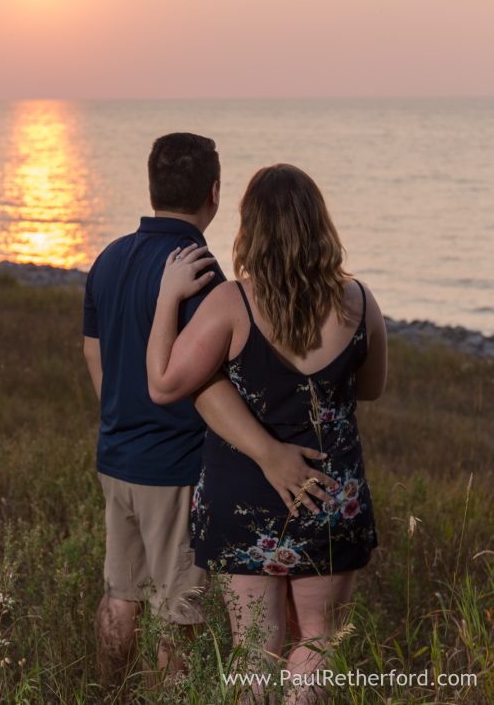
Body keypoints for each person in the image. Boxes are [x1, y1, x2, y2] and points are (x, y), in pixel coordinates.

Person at [83, 140, 336, 689]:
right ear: (215, 194)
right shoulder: (199, 270)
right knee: (180, 616)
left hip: (116, 458)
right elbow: (209, 383)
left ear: (151, 186)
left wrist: (119, 417)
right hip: (174, 467)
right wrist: (268, 452)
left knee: (121, 595)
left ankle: (106, 693)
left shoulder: (108, 257)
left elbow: (92, 350)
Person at [147, 164, 387, 699]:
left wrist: (167, 297)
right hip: (330, 493)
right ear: (320, 224)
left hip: (245, 494)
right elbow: (370, 388)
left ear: (249, 227)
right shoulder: (361, 302)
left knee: (255, 647)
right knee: (319, 639)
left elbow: (165, 384)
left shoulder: (232, 303)